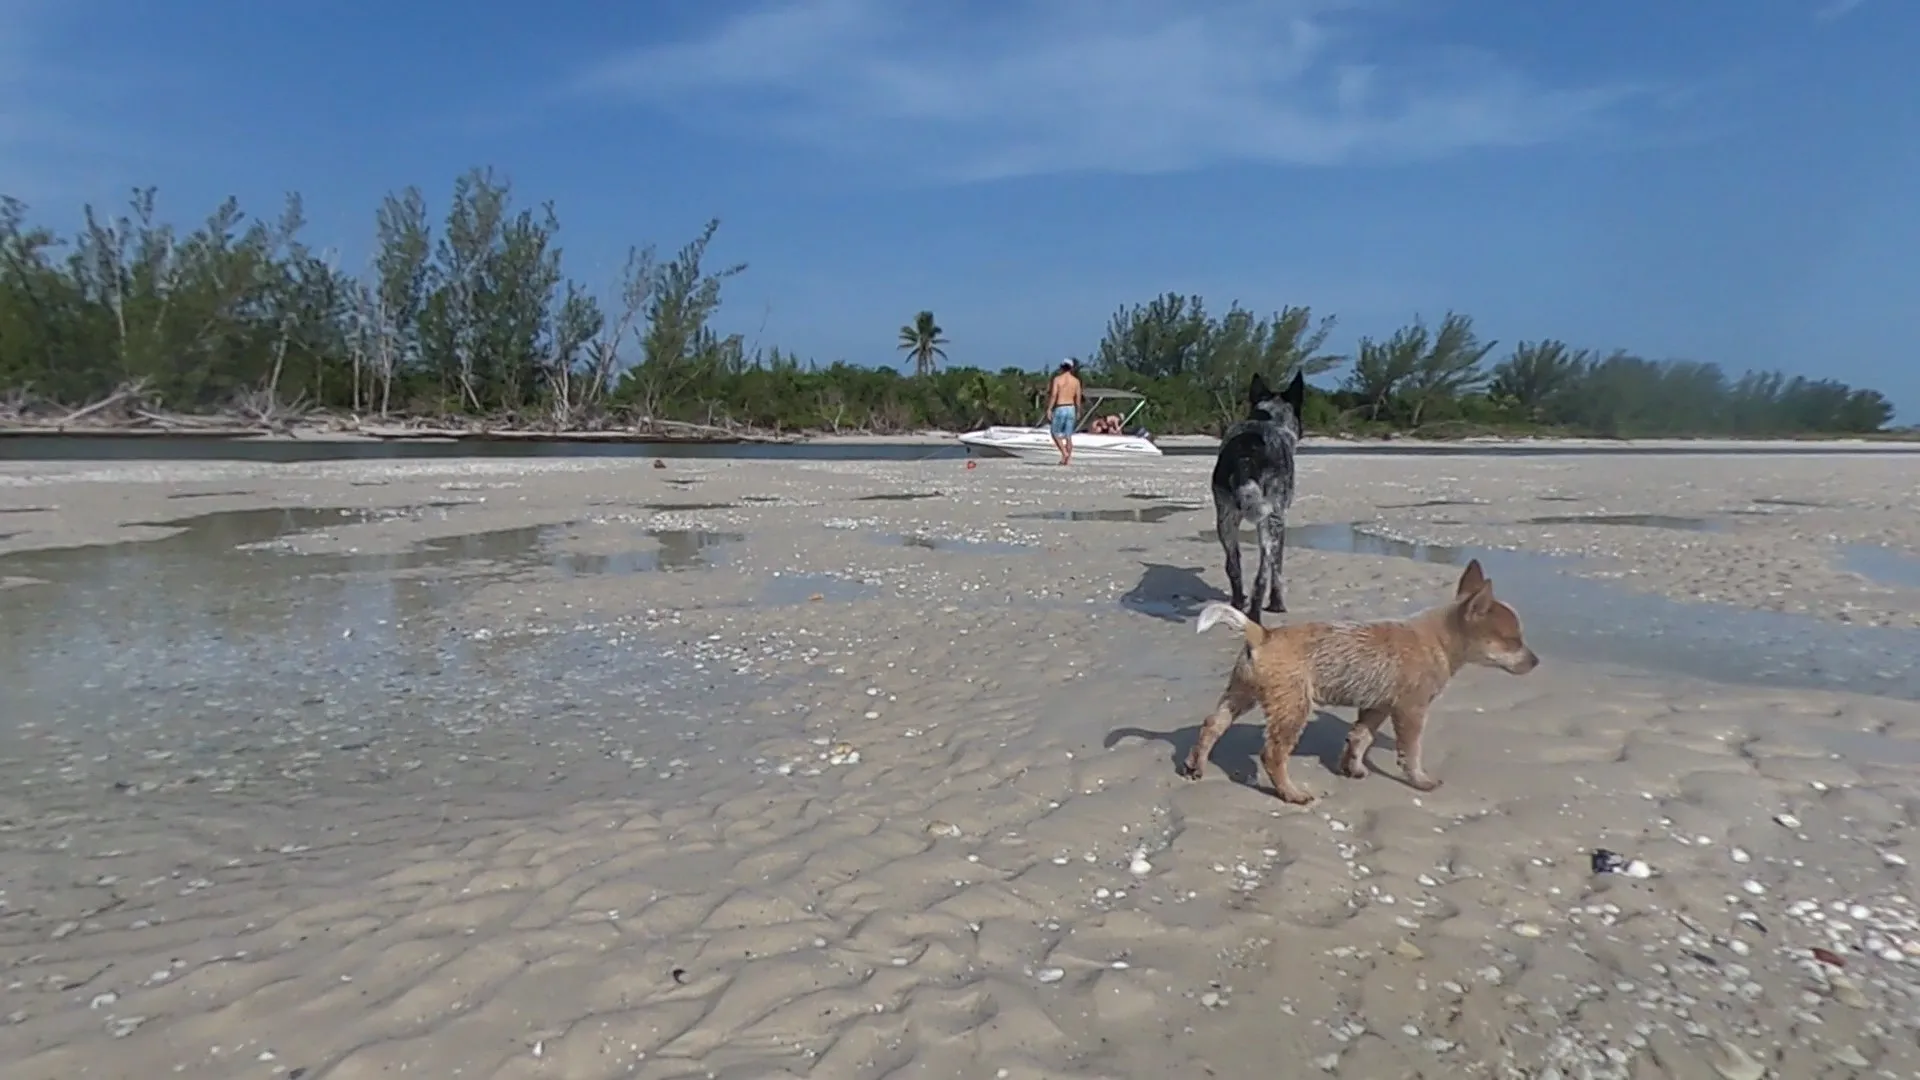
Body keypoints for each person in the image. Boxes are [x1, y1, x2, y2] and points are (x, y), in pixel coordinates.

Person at [1046, 359, 1084, 465]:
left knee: (1054, 432)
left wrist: (1049, 408)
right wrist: (1078, 410)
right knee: (1068, 435)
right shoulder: (1076, 381)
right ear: (1071, 368)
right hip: (1071, 407)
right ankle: (1066, 459)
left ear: (1062, 367)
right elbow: (1078, 397)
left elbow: (1054, 395)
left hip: (1060, 407)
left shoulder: (1057, 379)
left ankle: (1064, 453)